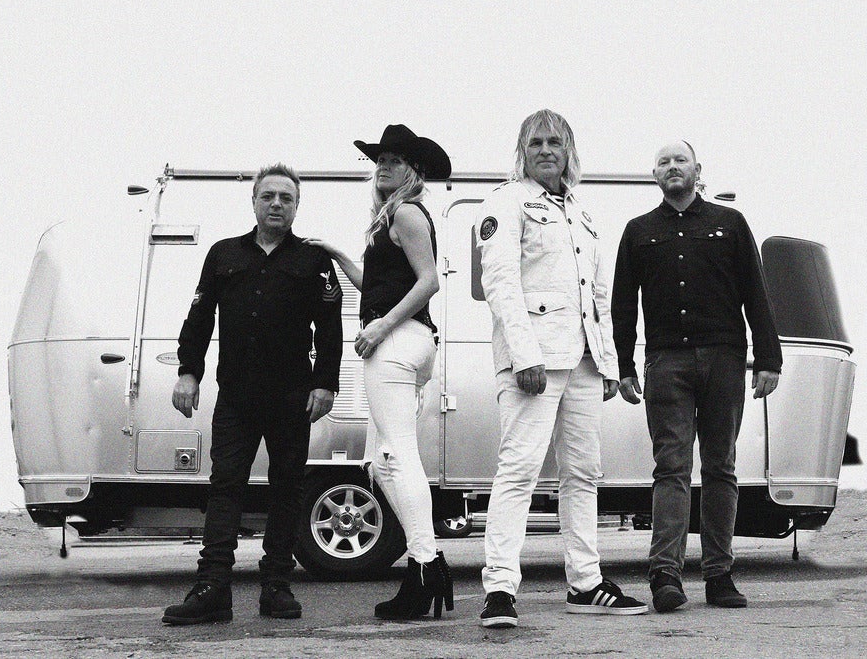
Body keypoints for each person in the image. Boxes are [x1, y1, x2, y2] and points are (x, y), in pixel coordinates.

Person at [475, 109, 647, 628]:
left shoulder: (583, 215)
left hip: (584, 363)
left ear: (569, 150)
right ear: (522, 151)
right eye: (536, 143)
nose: (546, 150)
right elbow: (500, 281)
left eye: (555, 142)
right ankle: (500, 589)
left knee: (583, 475)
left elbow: (599, 295)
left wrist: (610, 363)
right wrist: (525, 355)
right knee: (519, 471)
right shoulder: (506, 203)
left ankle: (586, 581)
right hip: (534, 361)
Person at [162, 162, 343, 625]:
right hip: (236, 397)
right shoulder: (224, 254)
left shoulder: (313, 260)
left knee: (286, 490)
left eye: (286, 198)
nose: (277, 204)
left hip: (292, 397)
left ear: (297, 205)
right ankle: (213, 587)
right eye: (269, 197)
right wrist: (189, 371)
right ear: (255, 202)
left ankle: (276, 585)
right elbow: (199, 318)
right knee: (225, 487)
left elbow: (330, 328)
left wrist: (325, 383)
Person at [612, 141, 782, 612]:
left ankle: (719, 576)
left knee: (720, 467)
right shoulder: (638, 231)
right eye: (663, 162)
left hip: (726, 358)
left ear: (697, 170)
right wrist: (623, 366)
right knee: (671, 468)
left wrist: (769, 358)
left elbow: (756, 291)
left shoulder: (730, 224)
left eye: (679, 160)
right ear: (655, 175)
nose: (672, 167)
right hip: (666, 363)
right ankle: (665, 576)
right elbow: (623, 305)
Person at [305, 124, 454, 620]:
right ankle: (427, 562)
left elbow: (429, 281)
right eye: (379, 159)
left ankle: (426, 567)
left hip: (398, 339)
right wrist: (339, 254)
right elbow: (378, 284)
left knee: (395, 453)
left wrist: (382, 326)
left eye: (394, 159)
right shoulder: (388, 218)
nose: (383, 166)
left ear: (415, 170)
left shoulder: (408, 212)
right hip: (404, 340)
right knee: (379, 462)